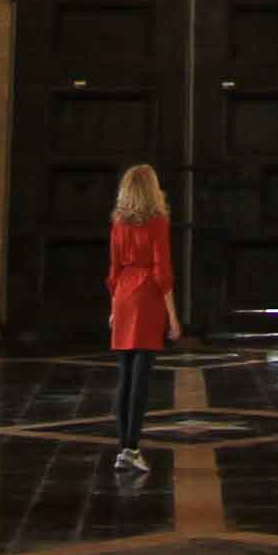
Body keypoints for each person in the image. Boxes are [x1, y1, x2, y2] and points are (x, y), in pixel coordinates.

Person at [105, 160, 179, 476]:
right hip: (147, 297)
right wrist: (173, 316)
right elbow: (162, 272)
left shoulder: (118, 224)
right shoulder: (158, 223)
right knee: (141, 377)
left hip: (123, 294)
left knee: (124, 376)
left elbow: (113, 271)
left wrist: (114, 308)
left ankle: (123, 447)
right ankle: (132, 448)